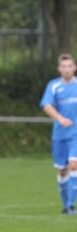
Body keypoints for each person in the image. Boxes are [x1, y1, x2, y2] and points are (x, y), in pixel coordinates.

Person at [40, 53, 77, 215]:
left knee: (74, 164)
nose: (67, 69)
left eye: (70, 66)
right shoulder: (53, 86)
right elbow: (46, 105)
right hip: (60, 135)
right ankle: (65, 205)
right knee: (62, 170)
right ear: (59, 69)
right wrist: (60, 119)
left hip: (76, 134)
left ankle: (70, 205)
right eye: (64, 66)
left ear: (75, 68)